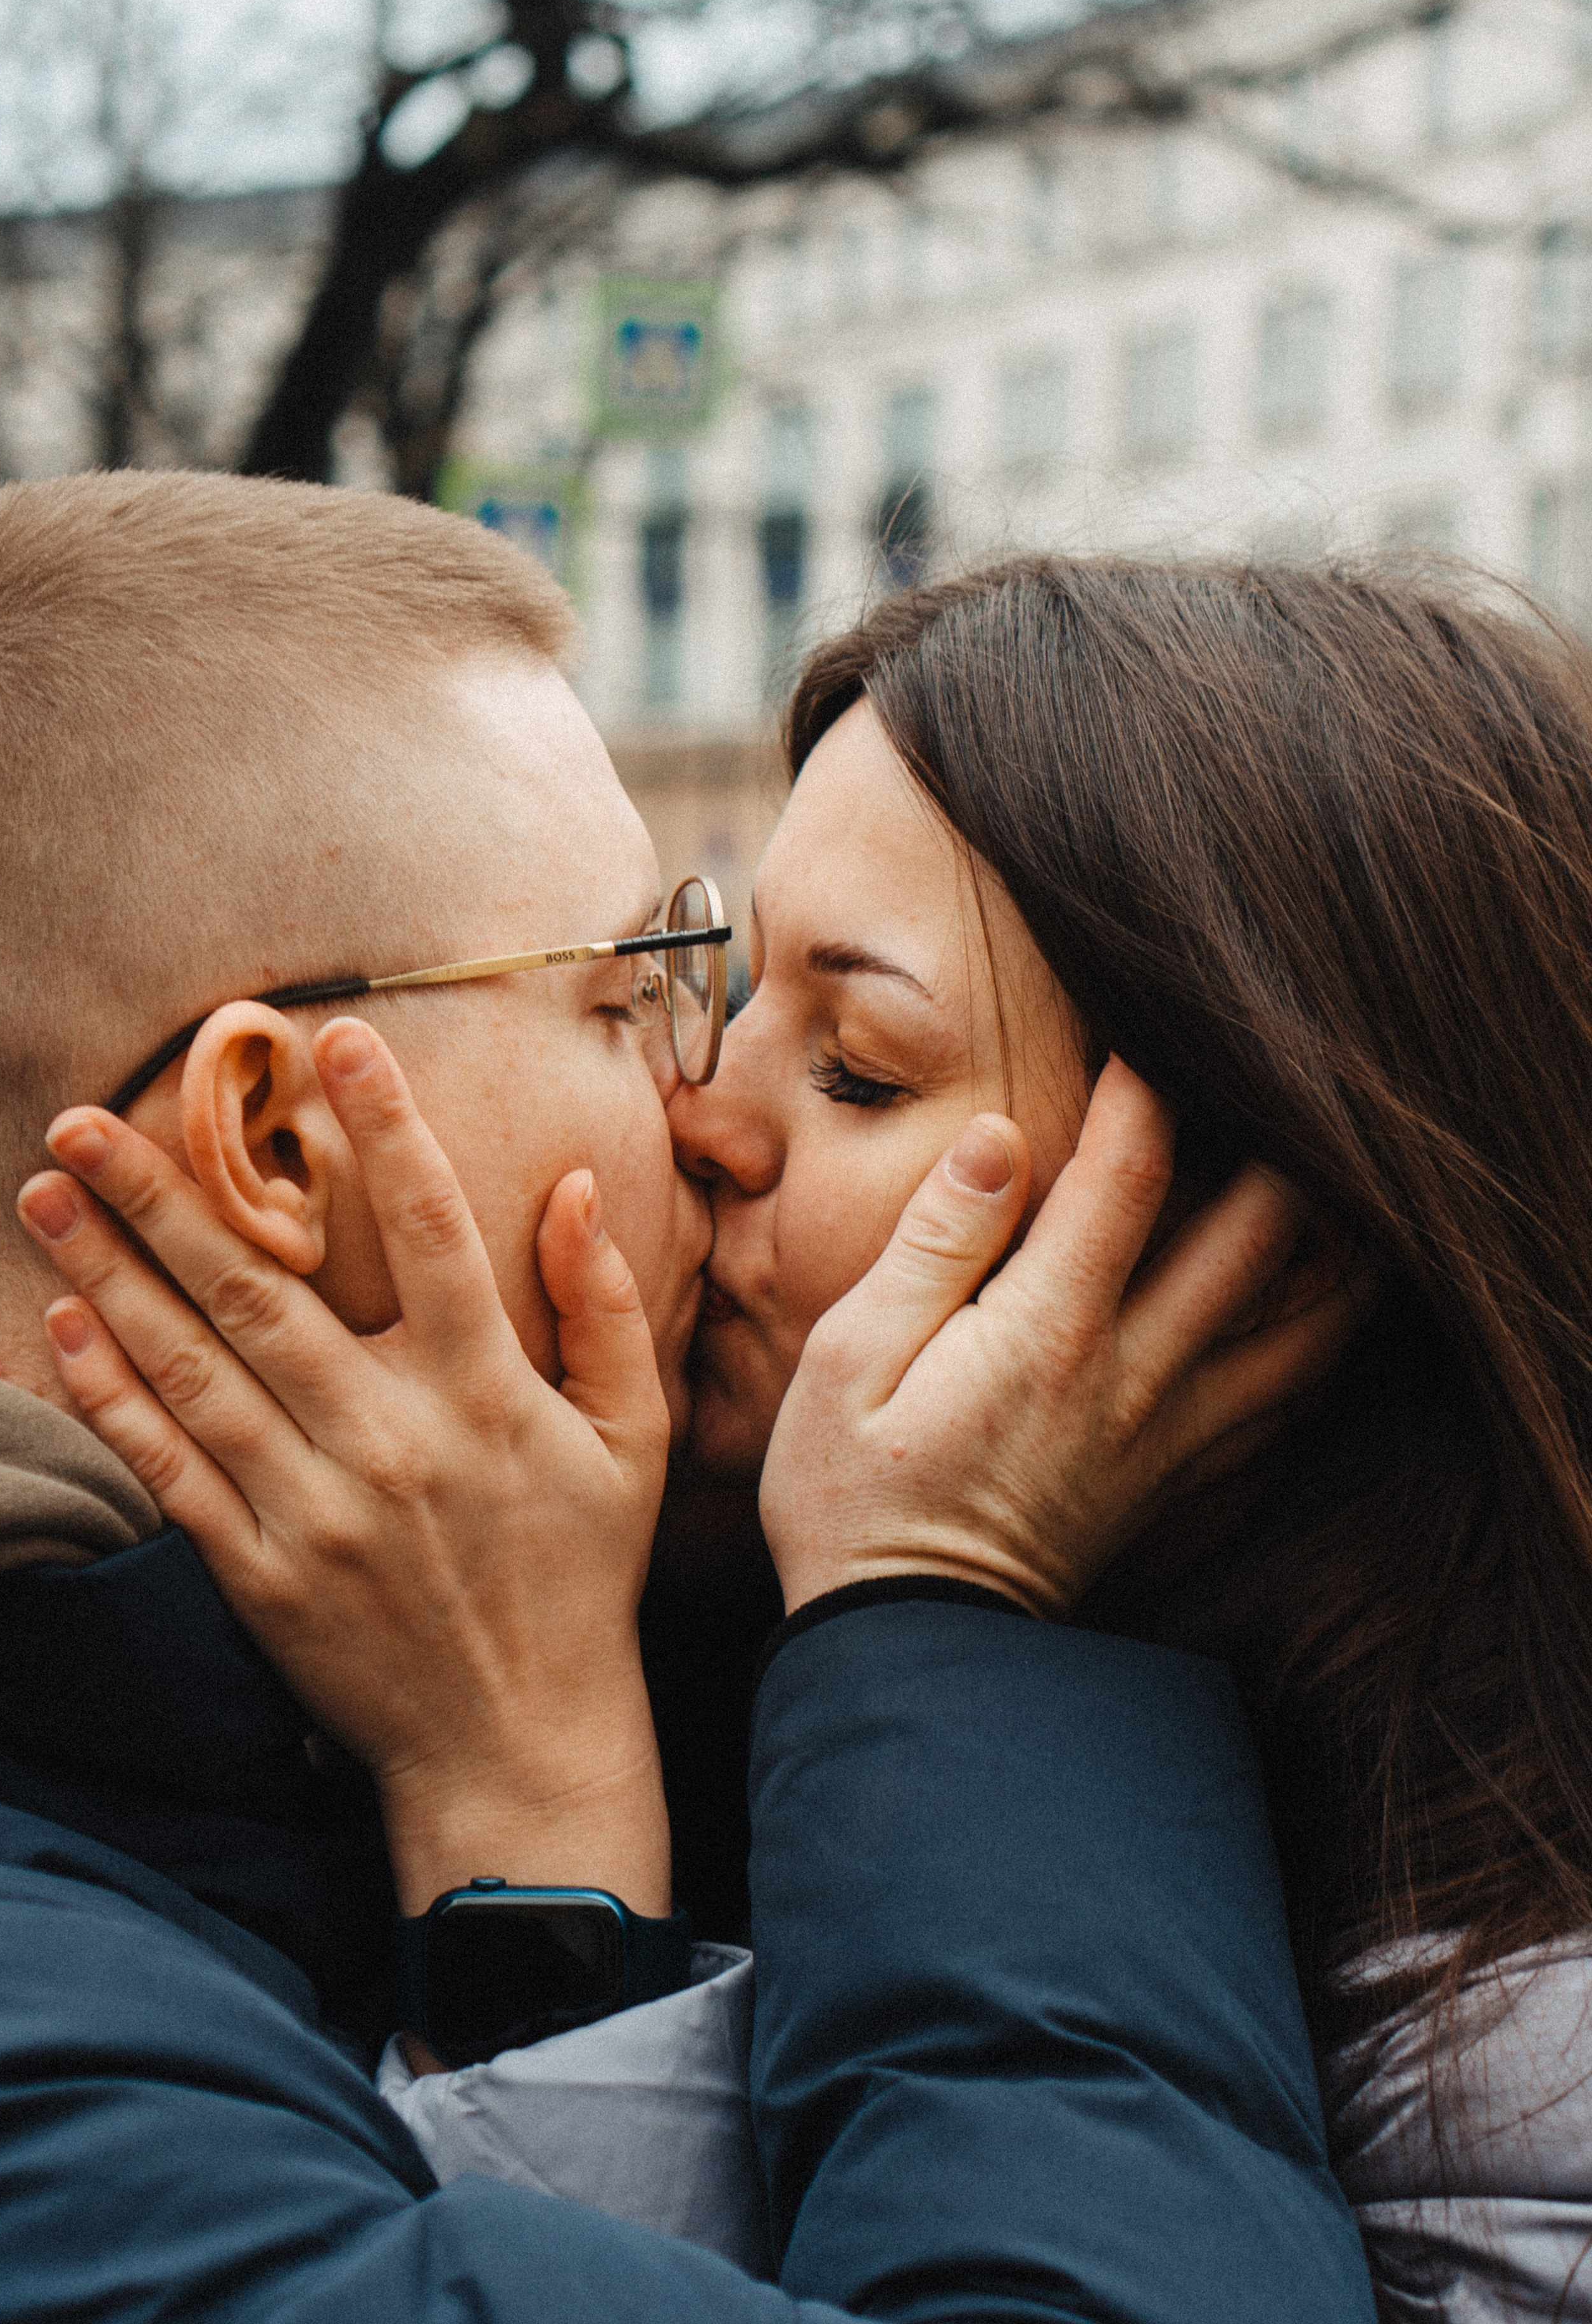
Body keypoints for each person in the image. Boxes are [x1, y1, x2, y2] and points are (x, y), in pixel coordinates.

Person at [0, 473, 1374, 2321]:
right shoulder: (34, 2058)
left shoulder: (322, 1731)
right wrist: (948, 1611)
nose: (703, 1104)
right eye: (635, 988)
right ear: (281, 1142)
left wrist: (534, 1821)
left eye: (850, 1059)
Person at [652, 555, 1592, 2321]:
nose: (697, 1112)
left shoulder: (1526, 2076)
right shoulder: (662, 1636)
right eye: (730, 985)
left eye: (854, 1065)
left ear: (1258, 1262)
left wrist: (925, 1609)